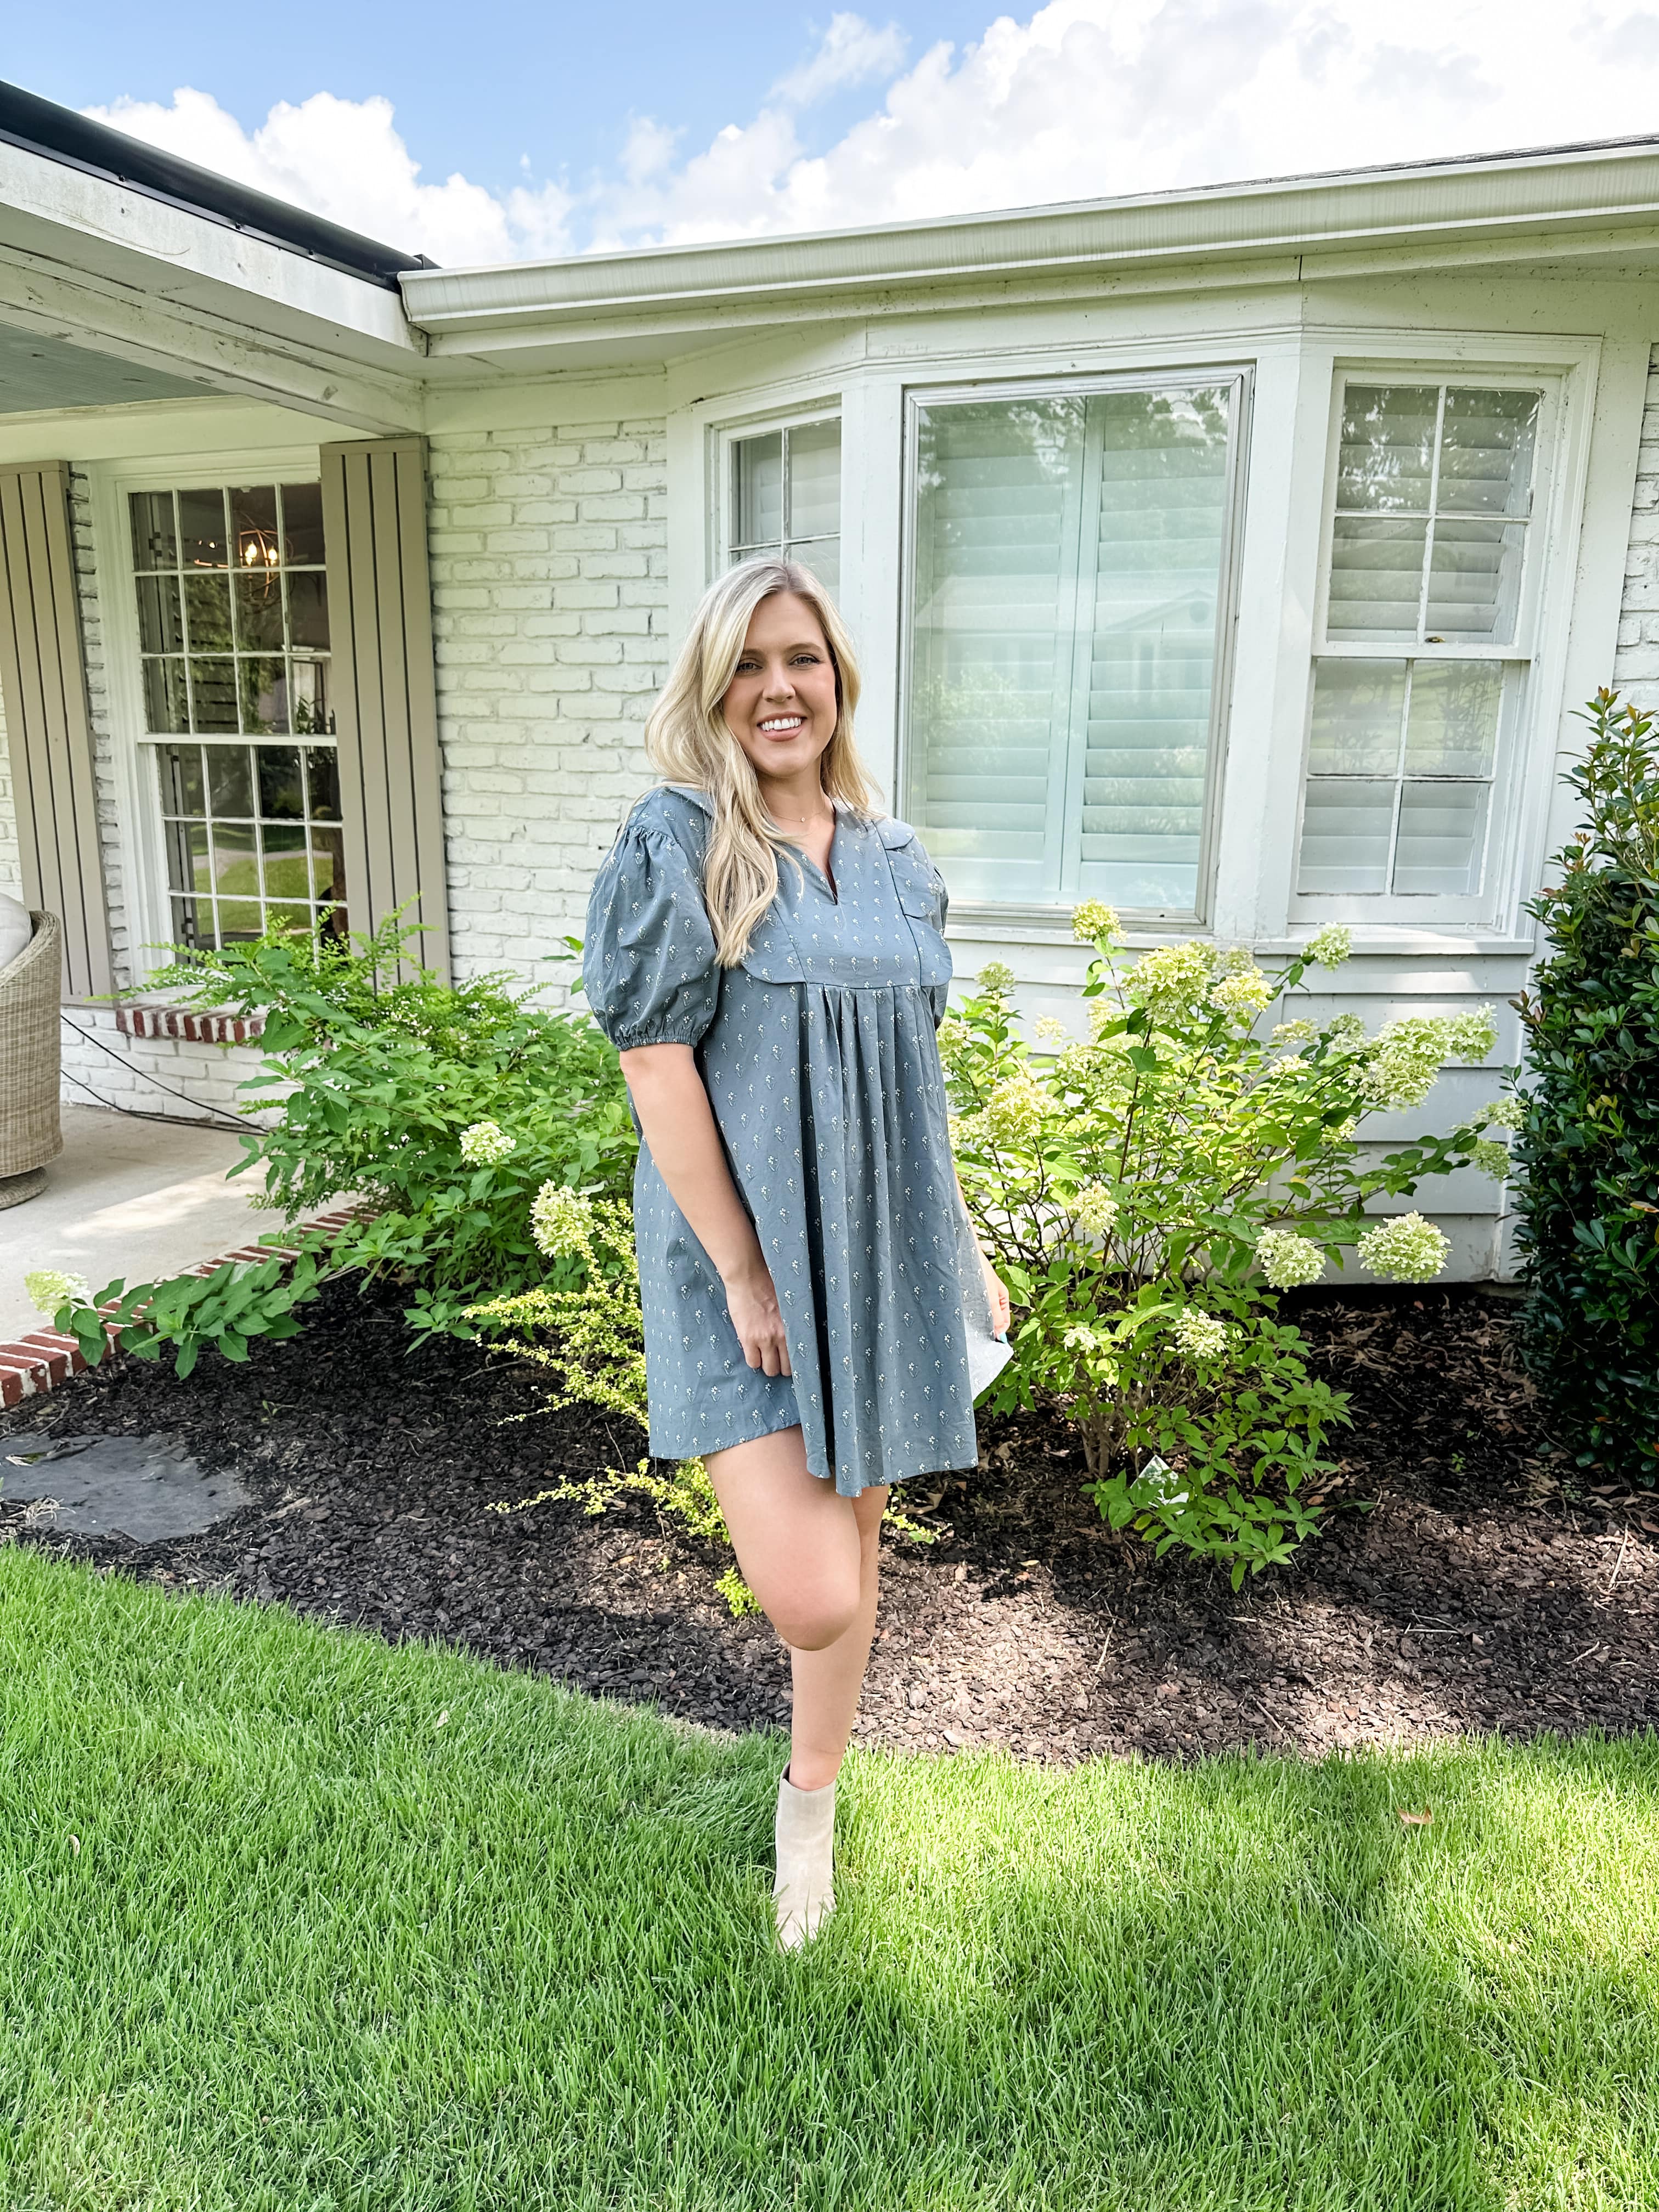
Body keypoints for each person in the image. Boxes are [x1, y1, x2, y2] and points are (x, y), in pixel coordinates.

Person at [583, 557, 1009, 1948]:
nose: (781, 688)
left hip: (885, 1250)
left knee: (863, 1543)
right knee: (816, 1591)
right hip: (743, 1266)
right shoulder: (676, 841)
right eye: (752, 664)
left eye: (805, 660)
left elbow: (912, 1083)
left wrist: (964, 1246)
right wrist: (747, 1273)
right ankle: (807, 1789)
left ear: (840, 682)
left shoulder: (895, 861)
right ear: (714, 688)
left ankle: (808, 1810)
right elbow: (657, 1070)